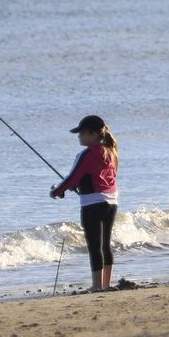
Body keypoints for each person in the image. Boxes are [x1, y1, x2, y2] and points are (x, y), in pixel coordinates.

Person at [50, 115, 120, 292]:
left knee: (94, 246)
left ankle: (96, 286)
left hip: (92, 205)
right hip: (111, 202)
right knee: (105, 244)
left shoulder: (86, 154)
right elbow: (104, 177)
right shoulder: (111, 152)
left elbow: (73, 177)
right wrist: (72, 186)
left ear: (94, 134)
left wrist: (56, 191)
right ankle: (106, 284)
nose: (79, 136)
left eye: (81, 133)